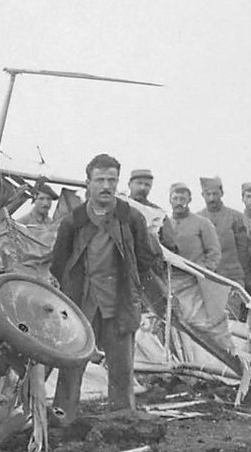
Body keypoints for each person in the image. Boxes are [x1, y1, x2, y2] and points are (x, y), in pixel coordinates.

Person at [49, 155, 165, 420]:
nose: (106, 186)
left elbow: (145, 258)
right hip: (82, 300)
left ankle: (123, 418)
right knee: (72, 360)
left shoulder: (130, 217)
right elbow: (59, 263)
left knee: (122, 364)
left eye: (112, 180)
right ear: (87, 183)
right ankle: (63, 417)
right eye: (100, 180)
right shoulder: (74, 221)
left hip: (120, 298)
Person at [159, 183, 238, 371]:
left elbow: (214, 252)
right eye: (175, 198)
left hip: (196, 283)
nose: (179, 202)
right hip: (172, 283)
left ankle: (229, 362)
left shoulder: (202, 223)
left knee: (206, 324)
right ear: (170, 199)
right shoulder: (165, 223)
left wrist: (202, 273)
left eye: (183, 198)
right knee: (173, 326)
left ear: (189, 200)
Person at [198, 176, 251, 316]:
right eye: (208, 194)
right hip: (207, 279)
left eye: (215, 194)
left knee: (231, 319)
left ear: (222, 193)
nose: (212, 198)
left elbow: (243, 249)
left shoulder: (235, 217)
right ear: (202, 195)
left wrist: (239, 274)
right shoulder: (198, 219)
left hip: (231, 277)